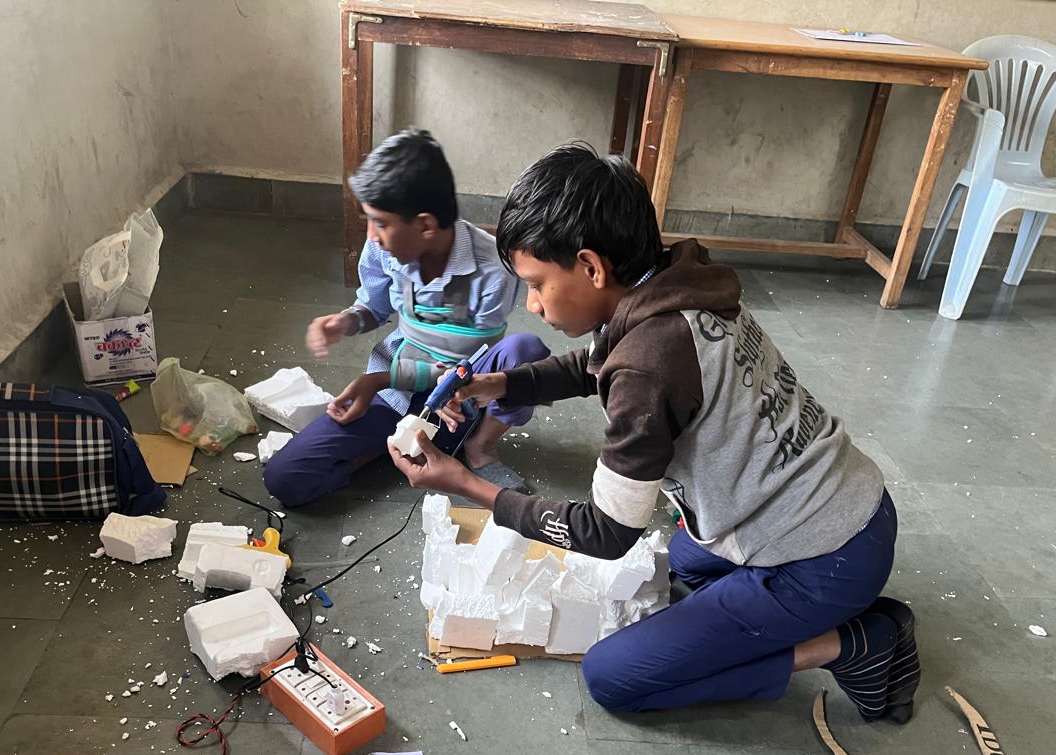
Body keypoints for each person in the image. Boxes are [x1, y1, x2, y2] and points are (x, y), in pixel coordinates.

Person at [388, 143, 919, 723]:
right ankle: (775, 610)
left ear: (591, 268)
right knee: (683, 561)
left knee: (616, 677)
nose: (533, 305)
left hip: (824, 560)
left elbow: (606, 532)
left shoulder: (648, 364)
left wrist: (465, 484)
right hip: (854, 505)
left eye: (537, 285)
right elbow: (601, 363)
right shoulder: (673, 285)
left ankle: (855, 643)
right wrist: (499, 385)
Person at [263, 128, 549, 506]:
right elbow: (374, 307)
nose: (372, 236)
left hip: (461, 400)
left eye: (380, 223)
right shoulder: (384, 249)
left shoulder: (492, 269)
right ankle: (397, 447)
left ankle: (477, 447)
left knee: (525, 351)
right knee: (284, 478)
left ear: (425, 225)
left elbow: (466, 365)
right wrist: (348, 321)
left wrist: (376, 380)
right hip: (395, 393)